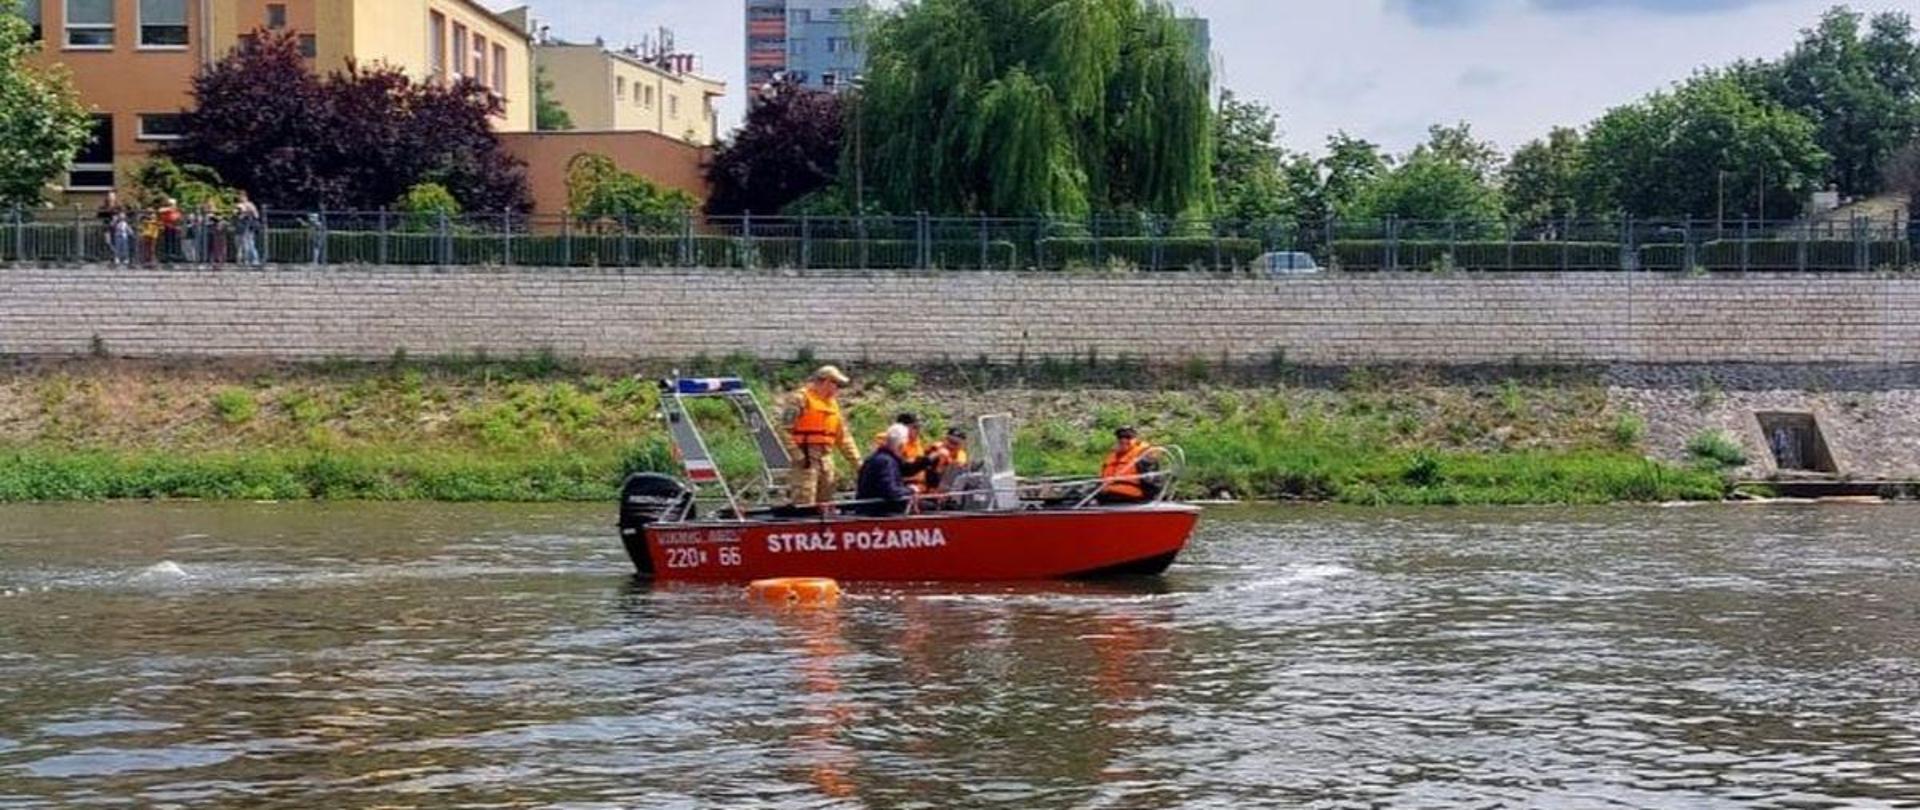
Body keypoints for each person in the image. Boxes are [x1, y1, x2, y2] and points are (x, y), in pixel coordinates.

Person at [781, 365, 862, 513]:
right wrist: (797, 455)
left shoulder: (833, 404)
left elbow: (843, 438)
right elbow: (784, 430)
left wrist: (858, 464)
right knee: (804, 500)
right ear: (825, 382)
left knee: (826, 503)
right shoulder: (800, 398)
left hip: (826, 458)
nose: (838, 389)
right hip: (806, 457)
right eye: (836, 384)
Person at [855, 424, 918, 517]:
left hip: (871, 509)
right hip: (878, 512)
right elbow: (890, 491)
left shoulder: (875, 458)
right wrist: (910, 490)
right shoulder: (886, 462)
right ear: (901, 445)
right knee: (931, 507)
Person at [1097, 427, 1160, 505]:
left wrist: (1148, 497)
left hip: (1133, 493)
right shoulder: (1113, 455)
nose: (1123, 440)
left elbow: (1151, 481)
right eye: (1120, 437)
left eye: (1128, 437)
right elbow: (1102, 477)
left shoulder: (1143, 454)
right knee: (1081, 492)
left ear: (1135, 439)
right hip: (1110, 491)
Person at [921, 427, 971, 495]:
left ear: (961, 445)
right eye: (950, 441)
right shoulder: (935, 449)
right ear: (945, 439)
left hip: (948, 489)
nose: (951, 446)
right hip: (927, 487)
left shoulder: (961, 455)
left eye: (956, 443)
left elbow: (959, 471)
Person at [233, 193, 262, 267]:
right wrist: (240, 212)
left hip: (248, 227)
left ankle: (253, 260)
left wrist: (249, 211)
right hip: (240, 227)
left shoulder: (250, 205)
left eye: (243, 197)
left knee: (249, 244)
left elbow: (256, 215)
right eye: (240, 197)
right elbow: (236, 215)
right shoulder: (238, 206)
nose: (241, 199)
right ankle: (243, 260)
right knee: (241, 244)